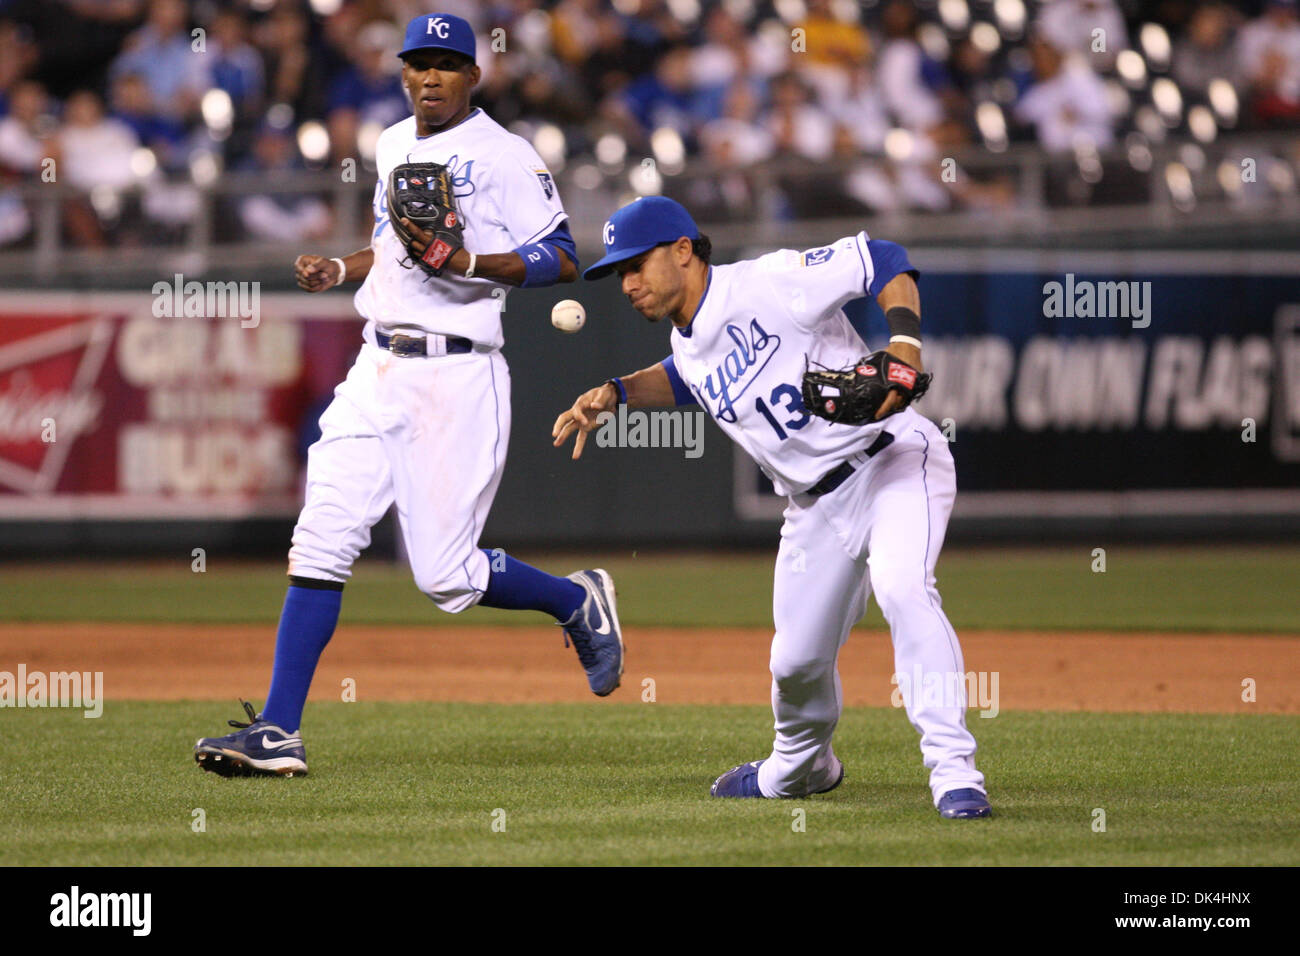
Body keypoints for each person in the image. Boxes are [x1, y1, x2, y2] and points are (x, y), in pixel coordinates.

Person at [194, 13, 624, 779]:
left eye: (447, 64)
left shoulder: (504, 155)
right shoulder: (392, 143)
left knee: (445, 576)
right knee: (321, 535)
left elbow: (562, 256)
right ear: (402, 75)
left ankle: (574, 601)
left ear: (473, 76)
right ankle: (279, 730)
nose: (430, 76)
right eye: (418, 63)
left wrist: (471, 260)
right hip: (376, 365)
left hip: (457, 374)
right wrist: (345, 267)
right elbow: (396, 249)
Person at [553, 196, 990, 819]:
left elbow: (882, 258)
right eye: (617, 273)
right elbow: (686, 375)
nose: (626, 283)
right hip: (813, 508)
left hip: (891, 460)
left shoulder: (768, 281)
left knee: (902, 587)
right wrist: (617, 393)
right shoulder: (690, 337)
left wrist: (904, 343)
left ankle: (955, 774)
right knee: (795, 663)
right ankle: (801, 769)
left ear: (683, 250)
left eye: (635, 264)